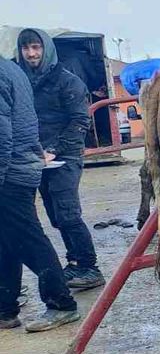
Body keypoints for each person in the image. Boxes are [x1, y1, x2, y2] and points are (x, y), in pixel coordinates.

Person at [15, 29, 105, 292]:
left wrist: (54, 149)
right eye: (26, 48)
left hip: (64, 158)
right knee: (55, 215)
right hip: (35, 158)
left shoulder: (67, 81)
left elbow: (80, 120)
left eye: (36, 47)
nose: (31, 54)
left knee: (68, 213)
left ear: (46, 49)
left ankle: (90, 267)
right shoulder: (21, 82)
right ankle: (74, 262)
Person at [0, 58, 81, 332]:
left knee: (28, 239)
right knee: (6, 241)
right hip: (19, 165)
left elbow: (1, 134)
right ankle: (5, 309)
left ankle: (61, 303)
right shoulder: (10, 68)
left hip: (10, 171)